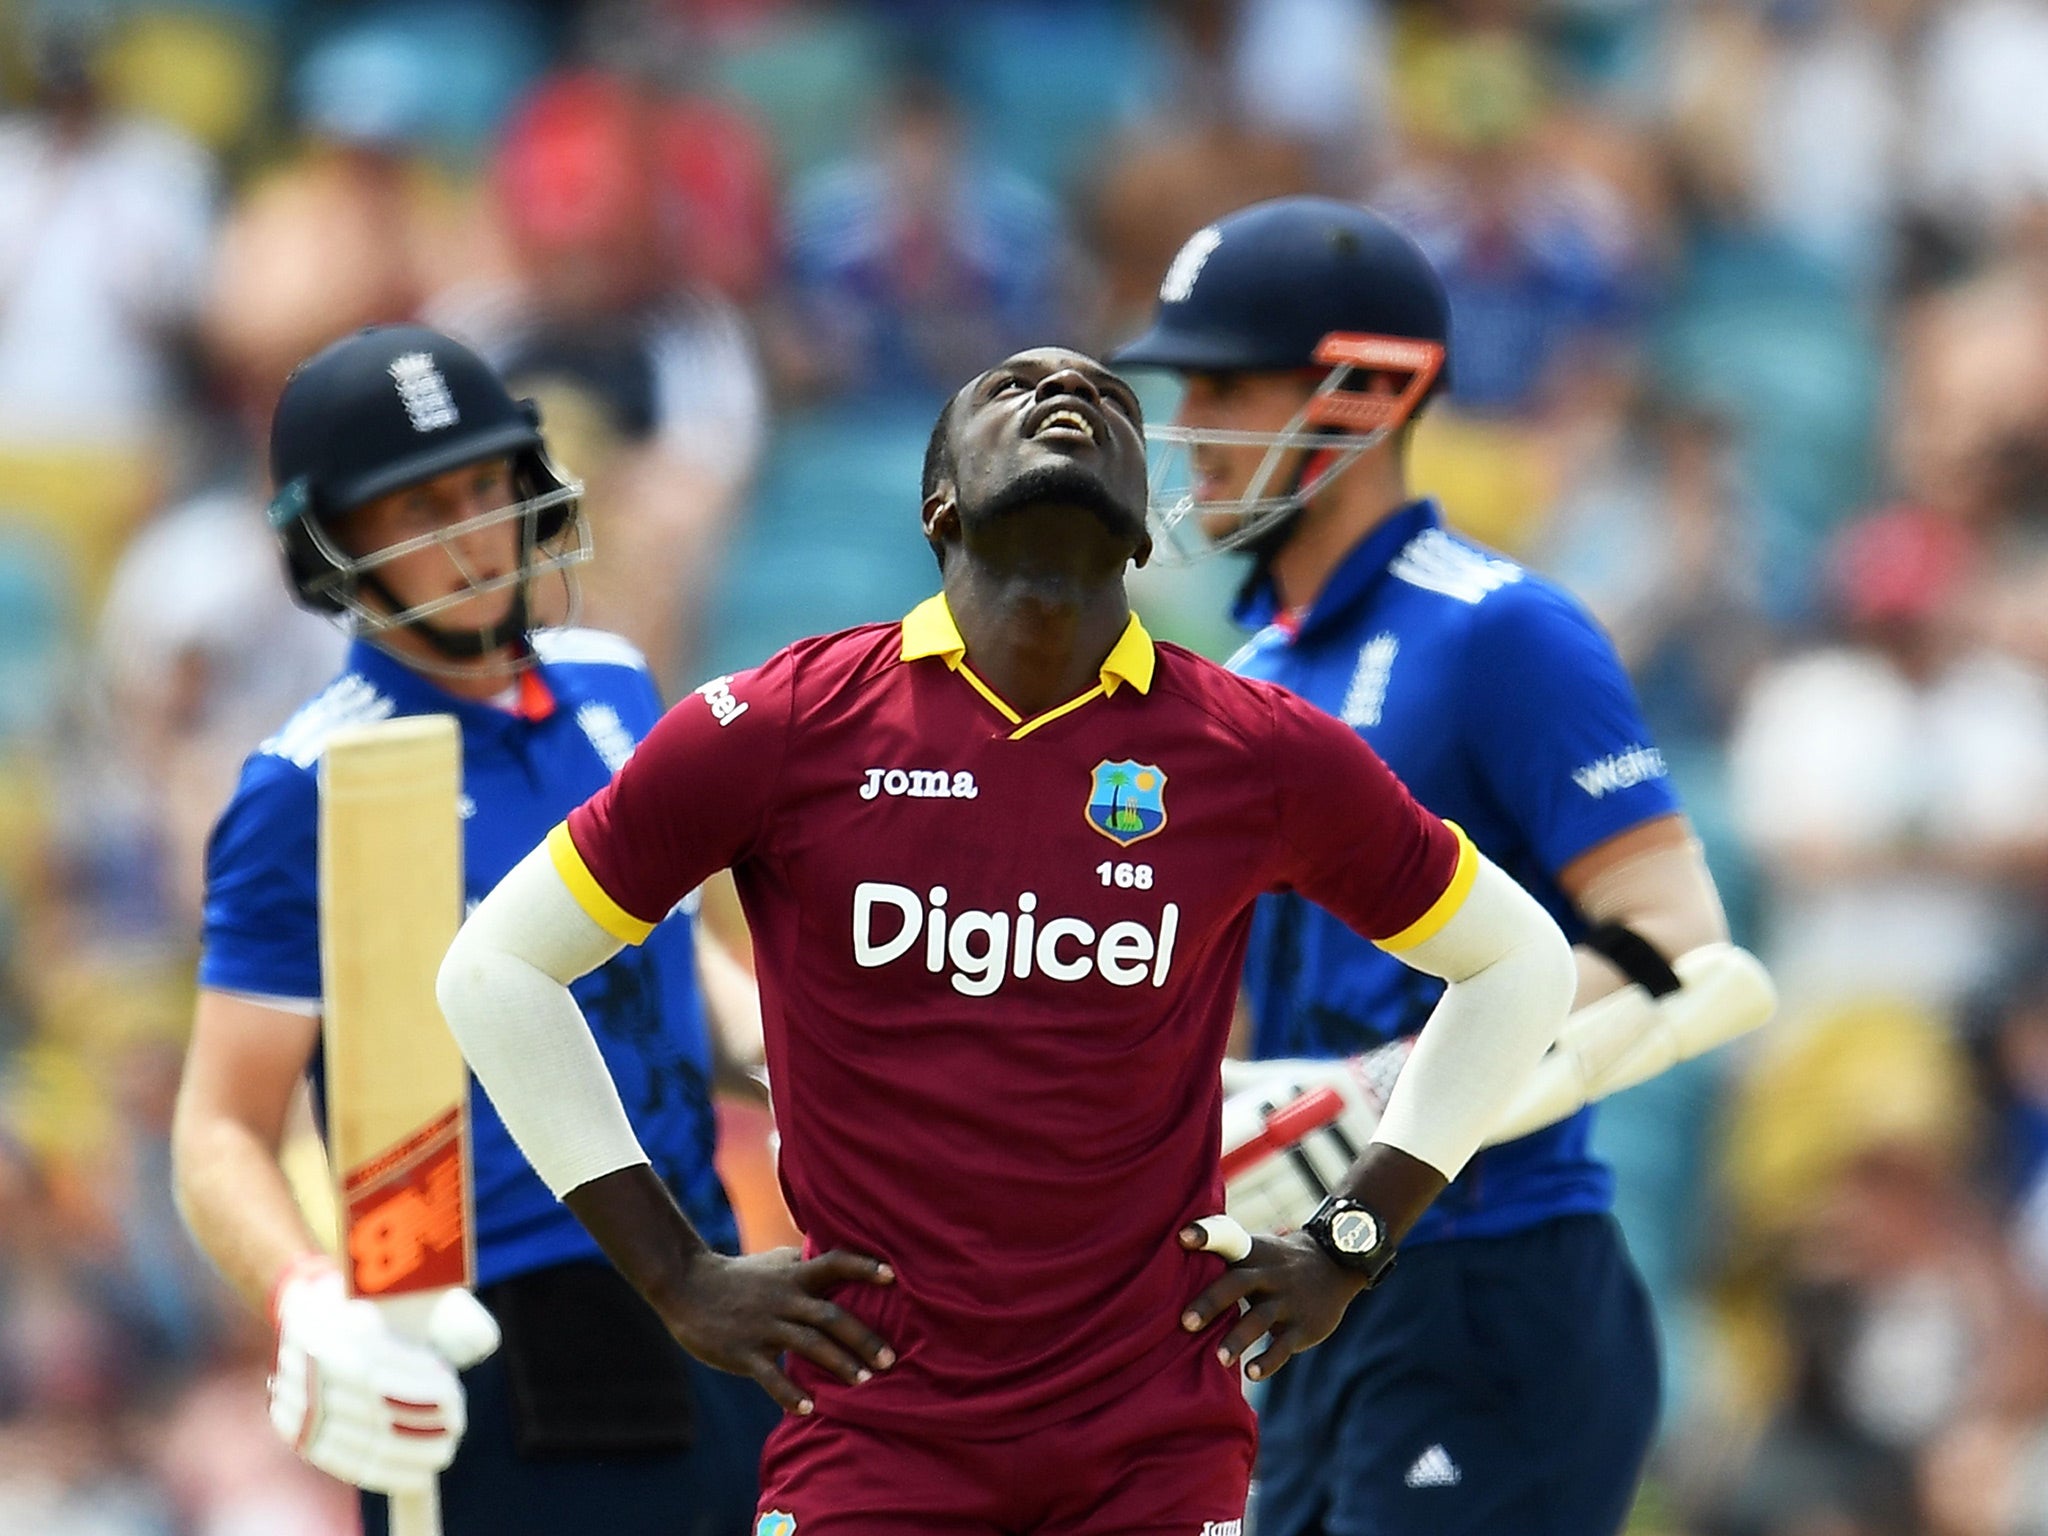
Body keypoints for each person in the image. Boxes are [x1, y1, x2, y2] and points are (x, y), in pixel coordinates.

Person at [433, 343, 1579, 1536]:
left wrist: (1348, 1242)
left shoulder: (1259, 754)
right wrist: (674, 1276)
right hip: (872, 1439)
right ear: (938, 503)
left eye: (1110, 399)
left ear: (1141, 528)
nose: (1066, 393)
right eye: (1010, 391)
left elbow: (1517, 965)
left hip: (1156, 1445)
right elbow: (496, 969)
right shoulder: (776, 727)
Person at [1113, 196, 1738, 1536]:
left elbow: (1678, 935)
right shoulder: (1264, 665)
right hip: (1316, 1296)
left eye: (1224, 385)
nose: (1191, 430)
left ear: (1362, 395)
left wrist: (1383, 1095)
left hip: (1490, 1283)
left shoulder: (1501, 630)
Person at [168, 323, 778, 1536]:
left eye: (483, 487)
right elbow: (220, 1125)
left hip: (702, 1276)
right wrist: (309, 1301)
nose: (466, 535)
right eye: (414, 507)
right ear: (331, 539)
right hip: (483, 1329)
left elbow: (680, 967)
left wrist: (829, 1071)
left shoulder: (614, 684)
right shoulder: (307, 782)